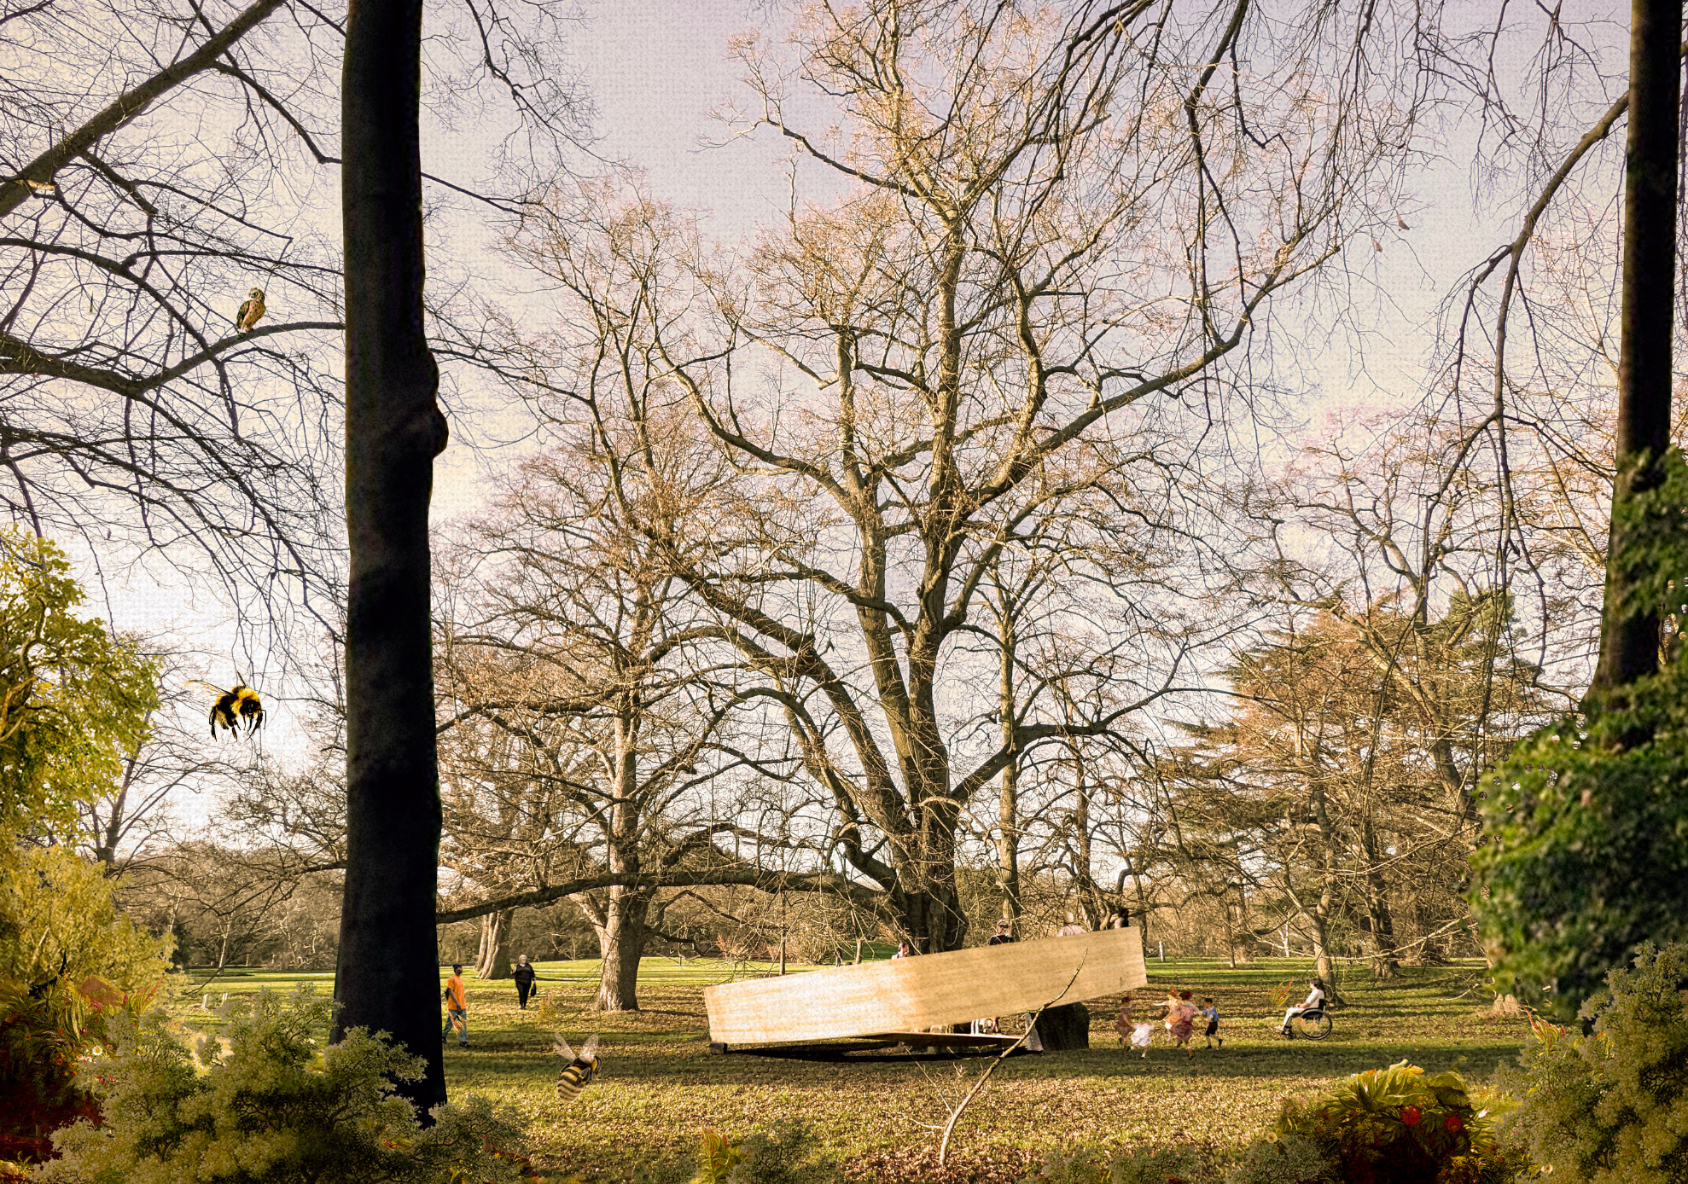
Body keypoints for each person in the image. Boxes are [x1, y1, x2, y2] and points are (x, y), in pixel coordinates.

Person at [1164, 988, 1197, 1058]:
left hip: (1182, 1023)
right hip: (1187, 1024)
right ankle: (1190, 1053)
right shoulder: (1190, 1005)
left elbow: (1174, 1012)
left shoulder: (1180, 1005)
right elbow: (1197, 1012)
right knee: (1186, 1040)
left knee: (1172, 1029)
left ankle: (1178, 1039)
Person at [441, 963, 468, 1047]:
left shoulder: (460, 979)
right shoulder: (451, 979)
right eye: (459, 968)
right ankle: (443, 1036)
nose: (461, 969)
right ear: (456, 969)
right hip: (453, 1006)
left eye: (461, 967)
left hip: (462, 1005)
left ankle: (463, 1041)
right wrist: (456, 1003)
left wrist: (461, 1003)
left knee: (462, 1023)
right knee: (450, 1023)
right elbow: (450, 991)